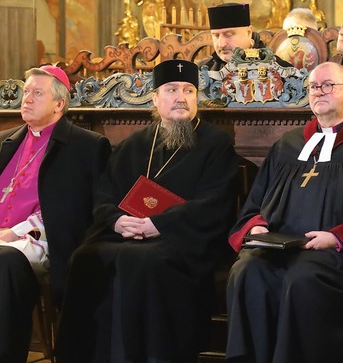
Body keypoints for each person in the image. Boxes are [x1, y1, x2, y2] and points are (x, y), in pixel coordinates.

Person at [55, 59, 238, 363]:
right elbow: (105, 193)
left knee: (140, 260)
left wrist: (159, 225)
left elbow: (215, 203)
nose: (181, 97)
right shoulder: (135, 144)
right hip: (129, 234)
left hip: (183, 240)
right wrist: (117, 221)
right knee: (85, 257)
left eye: (189, 90)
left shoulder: (216, 143)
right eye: (171, 89)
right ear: (155, 99)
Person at [226, 61, 343, 363]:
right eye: (313, 87)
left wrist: (336, 239)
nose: (319, 91)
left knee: (303, 276)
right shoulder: (288, 144)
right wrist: (256, 228)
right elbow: (255, 204)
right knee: (247, 270)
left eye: (327, 85)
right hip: (279, 249)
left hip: (335, 258)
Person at [0, 65, 111, 363]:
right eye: (25, 92)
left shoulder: (87, 146)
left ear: (59, 104)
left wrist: (16, 232)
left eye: (37, 93)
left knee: (5, 261)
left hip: (37, 240)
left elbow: (78, 212)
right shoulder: (1, 141)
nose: (27, 99)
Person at [200, 2, 291, 71]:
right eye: (216, 36)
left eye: (228, 35)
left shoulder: (280, 70)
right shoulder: (203, 71)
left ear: (248, 32)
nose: (221, 44)